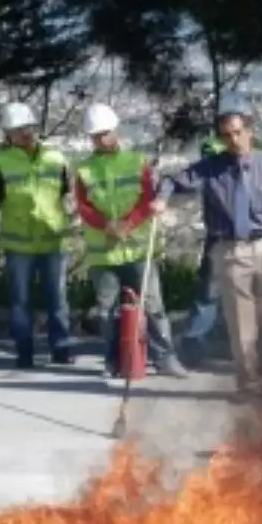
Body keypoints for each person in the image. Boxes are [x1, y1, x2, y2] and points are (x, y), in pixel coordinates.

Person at [157, 95, 262, 392]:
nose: (233, 139)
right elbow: (171, 181)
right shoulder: (210, 167)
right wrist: (160, 200)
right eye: (226, 135)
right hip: (230, 250)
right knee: (241, 324)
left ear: (250, 131)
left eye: (238, 132)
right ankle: (249, 381)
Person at [74, 102, 188, 379]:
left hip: (137, 250)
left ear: (115, 130)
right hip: (105, 254)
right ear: (90, 138)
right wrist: (107, 225)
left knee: (153, 306)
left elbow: (147, 198)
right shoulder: (83, 170)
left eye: (106, 133)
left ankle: (165, 358)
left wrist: (129, 223)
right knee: (107, 311)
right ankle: (114, 359)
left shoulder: (137, 162)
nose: (102, 139)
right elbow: (84, 206)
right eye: (96, 135)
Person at [0, 101, 76, 368]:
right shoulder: (2, 161)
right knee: (20, 302)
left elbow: (68, 191)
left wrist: (73, 210)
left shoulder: (56, 157)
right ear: (8, 134)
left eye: (28, 127)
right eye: (18, 130)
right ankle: (24, 352)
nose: (25, 133)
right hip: (19, 243)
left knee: (57, 299)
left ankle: (60, 349)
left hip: (52, 239)